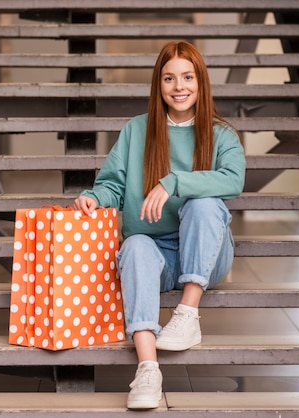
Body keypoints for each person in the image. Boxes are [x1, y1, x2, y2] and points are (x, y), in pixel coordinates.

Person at [73, 41, 246, 410]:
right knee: (133, 244)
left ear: (201, 83)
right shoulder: (136, 131)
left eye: (187, 77)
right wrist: (95, 197)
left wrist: (173, 182)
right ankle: (148, 370)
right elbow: (113, 185)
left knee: (203, 204)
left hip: (206, 253)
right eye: (169, 78)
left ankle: (187, 313)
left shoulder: (221, 134)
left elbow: (232, 180)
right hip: (158, 254)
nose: (178, 87)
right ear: (158, 85)